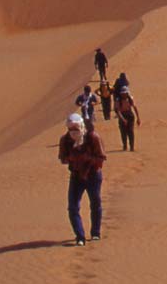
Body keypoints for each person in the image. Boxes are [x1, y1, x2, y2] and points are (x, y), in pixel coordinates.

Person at [58, 113, 106, 246]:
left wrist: (86, 157)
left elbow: (101, 157)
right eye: (70, 128)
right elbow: (62, 158)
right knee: (73, 207)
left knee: (95, 203)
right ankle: (80, 236)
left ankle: (95, 233)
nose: (73, 131)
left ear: (82, 126)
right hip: (76, 176)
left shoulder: (93, 137)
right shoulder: (65, 140)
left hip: (93, 175)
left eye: (76, 128)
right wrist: (73, 156)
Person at [115, 85, 141, 152]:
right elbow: (118, 111)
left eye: (125, 93)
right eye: (123, 93)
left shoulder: (130, 99)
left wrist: (138, 118)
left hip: (129, 116)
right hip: (122, 116)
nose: (124, 95)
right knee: (123, 132)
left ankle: (132, 146)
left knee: (131, 132)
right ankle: (125, 146)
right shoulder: (118, 100)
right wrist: (123, 119)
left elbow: (134, 107)